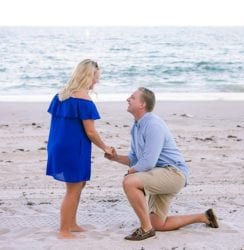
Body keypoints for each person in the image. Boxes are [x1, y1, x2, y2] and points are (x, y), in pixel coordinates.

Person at [105, 87, 219, 241]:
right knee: (158, 224)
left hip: (173, 173)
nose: (128, 99)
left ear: (142, 104)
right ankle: (204, 217)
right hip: (159, 173)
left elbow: (148, 162)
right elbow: (135, 159)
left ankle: (146, 230)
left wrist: (132, 172)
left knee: (129, 182)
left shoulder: (153, 125)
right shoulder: (136, 126)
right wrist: (116, 158)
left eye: (132, 97)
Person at [46, 59, 113, 239]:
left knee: (79, 184)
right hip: (73, 149)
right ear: (87, 76)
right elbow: (90, 132)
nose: (96, 81)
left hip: (59, 144)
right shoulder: (84, 101)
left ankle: (72, 224)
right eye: (95, 77)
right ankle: (64, 231)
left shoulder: (61, 95)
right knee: (73, 189)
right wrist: (105, 147)